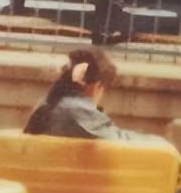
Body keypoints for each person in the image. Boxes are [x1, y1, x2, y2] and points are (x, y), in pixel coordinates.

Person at [24, 48, 162, 142]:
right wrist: (157, 140)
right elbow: (119, 140)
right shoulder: (78, 110)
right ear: (96, 85)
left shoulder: (48, 103)